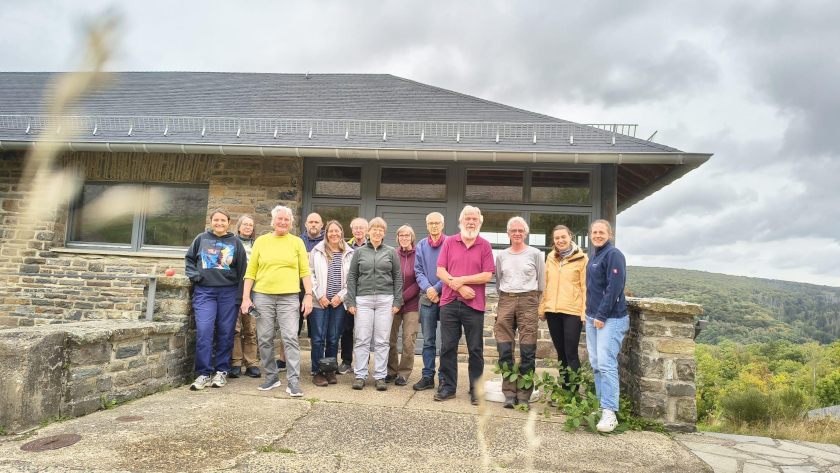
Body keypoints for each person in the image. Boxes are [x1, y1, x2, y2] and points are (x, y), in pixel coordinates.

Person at [240, 205, 313, 397]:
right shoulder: (261, 242)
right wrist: (246, 298)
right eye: (279, 219)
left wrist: (308, 295)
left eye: (286, 220)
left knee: (290, 338)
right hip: (263, 296)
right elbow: (251, 272)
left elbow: (305, 272)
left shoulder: (297, 242)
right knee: (264, 338)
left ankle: (293, 381)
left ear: (291, 222)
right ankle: (271, 376)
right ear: (273, 221)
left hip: (289, 297)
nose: (282, 222)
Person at [434, 206, 495, 405]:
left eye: (474, 219)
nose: (471, 222)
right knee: (448, 347)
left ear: (479, 222)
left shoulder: (484, 245)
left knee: (475, 349)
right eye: (467, 218)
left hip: (474, 306)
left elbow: (487, 275)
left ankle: (476, 390)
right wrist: (458, 287)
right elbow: (440, 271)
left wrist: (461, 280)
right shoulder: (450, 242)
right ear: (461, 222)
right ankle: (448, 387)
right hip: (450, 303)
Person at [185, 208, 247, 390]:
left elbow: (243, 271)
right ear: (211, 221)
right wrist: (195, 276)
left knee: (226, 332)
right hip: (205, 292)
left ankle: (221, 371)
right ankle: (203, 373)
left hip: (228, 293)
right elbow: (189, 260)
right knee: (204, 331)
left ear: (229, 223)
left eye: (223, 220)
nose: (219, 223)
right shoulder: (201, 239)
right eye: (216, 220)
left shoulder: (235, 242)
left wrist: (241, 297)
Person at [345, 217, 402, 391]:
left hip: (386, 300)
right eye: (374, 229)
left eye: (381, 230)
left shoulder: (391, 252)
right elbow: (353, 277)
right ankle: (360, 375)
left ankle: (380, 376)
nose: (377, 232)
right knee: (362, 338)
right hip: (363, 300)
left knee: (382, 340)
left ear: (384, 233)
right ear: (369, 232)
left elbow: (397, 277)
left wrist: (397, 300)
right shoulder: (360, 252)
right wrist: (351, 301)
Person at [494, 217, 545, 408]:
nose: (517, 233)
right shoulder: (501, 256)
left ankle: (524, 394)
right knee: (504, 348)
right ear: (508, 233)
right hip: (506, 298)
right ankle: (509, 393)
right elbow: (499, 281)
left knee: (527, 348)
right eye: (513, 230)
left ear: (526, 233)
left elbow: (541, 283)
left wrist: (534, 301)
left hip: (528, 299)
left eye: (520, 230)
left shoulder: (536, 254)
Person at [585, 219, 628, 433]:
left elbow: (615, 288)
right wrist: (589, 314)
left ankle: (610, 412)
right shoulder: (594, 255)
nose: (597, 235)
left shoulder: (613, 255)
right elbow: (592, 288)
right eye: (594, 232)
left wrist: (601, 314)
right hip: (592, 318)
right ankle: (602, 406)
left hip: (610, 318)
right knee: (595, 362)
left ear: (609, 234)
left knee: (606, 363)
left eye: (601, 232)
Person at [538, 225, 587, 395]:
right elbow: (546, 284)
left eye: (563, 237)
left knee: (571, 352)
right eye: (557, 238)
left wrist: (584, 312)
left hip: (572, 311)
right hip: (553, 311)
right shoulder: (551, 258)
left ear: (570, 236)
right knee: (560, 353)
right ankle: (565, 390)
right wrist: (543, 308)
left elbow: (585, 287)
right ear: (554, 240)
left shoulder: (581, 258)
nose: (560, 240)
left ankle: (573, 392)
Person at [274, 212, 324, 372]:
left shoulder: (326, 241)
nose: (314, 225)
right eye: (311, 222)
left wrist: (305, 256)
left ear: (321, 225)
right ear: (306, 224)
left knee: (314, 329)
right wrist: (311, 257)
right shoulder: (297, 240)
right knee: (290, 327)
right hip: (294, 289)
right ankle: (282, 360)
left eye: (317, 222)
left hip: (316, 290)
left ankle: (314, 364)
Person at [308, 220, 354, 387]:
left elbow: (353, 280)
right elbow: (310, 273)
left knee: (334, 338)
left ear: (341, 232)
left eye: (337, 231)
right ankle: (317, 371)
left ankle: (330, 369)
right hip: (319, 301)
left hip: (338, 303)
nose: (334, 234)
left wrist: (340, 297)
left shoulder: (350, 253)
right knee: (319, 337)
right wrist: (319, 295)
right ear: (326, 233)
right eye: (330, 231)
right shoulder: (317, 250)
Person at [412, 212, 447, 391]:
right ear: (427, 226)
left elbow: (453, 268)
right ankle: (427, 377)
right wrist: (429, 289)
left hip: (446, 297)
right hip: (427, 298)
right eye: (431, 223)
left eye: (437, 223)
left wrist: (438, 288)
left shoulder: (450, 243)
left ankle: (444, 377)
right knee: (428, 340)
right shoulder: (421, 246)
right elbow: (418, 270)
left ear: (443, 225)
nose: (434, 226)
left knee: (447, 341)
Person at [386, 224, 420, 386]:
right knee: (390, 340)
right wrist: (396, 299)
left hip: (412, 305)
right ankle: (391, 371)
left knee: (408, 340)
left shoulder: (418, 254)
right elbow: (387, 277)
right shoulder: (392, 254)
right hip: (393, 304)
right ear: (397, 238)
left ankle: (404, 373)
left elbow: (419, 280)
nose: (404, 238)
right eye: (401, 236)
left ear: (412, 237)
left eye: (407, 235)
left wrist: (403, 298)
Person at [230, 214, 261, 379]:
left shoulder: (257, 245)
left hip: (253, 291)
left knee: (250, 329)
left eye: (251, 225)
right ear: (239, 226)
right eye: (245, 224)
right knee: (235, 329)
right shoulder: (232, 243)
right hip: (234, 290)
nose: (248, 227)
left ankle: (251, 364)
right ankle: (235, 363)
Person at [338, 217, 369, 374]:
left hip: (366, 294)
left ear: (366, 230)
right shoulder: (345, 246)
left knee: (364, 331)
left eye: (361, 228)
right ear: (352, 230)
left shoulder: (372, 246)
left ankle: (363, 362)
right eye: (355, 228)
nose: (358, 230)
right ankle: (346, 361)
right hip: (348, 293)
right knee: (347, 329)